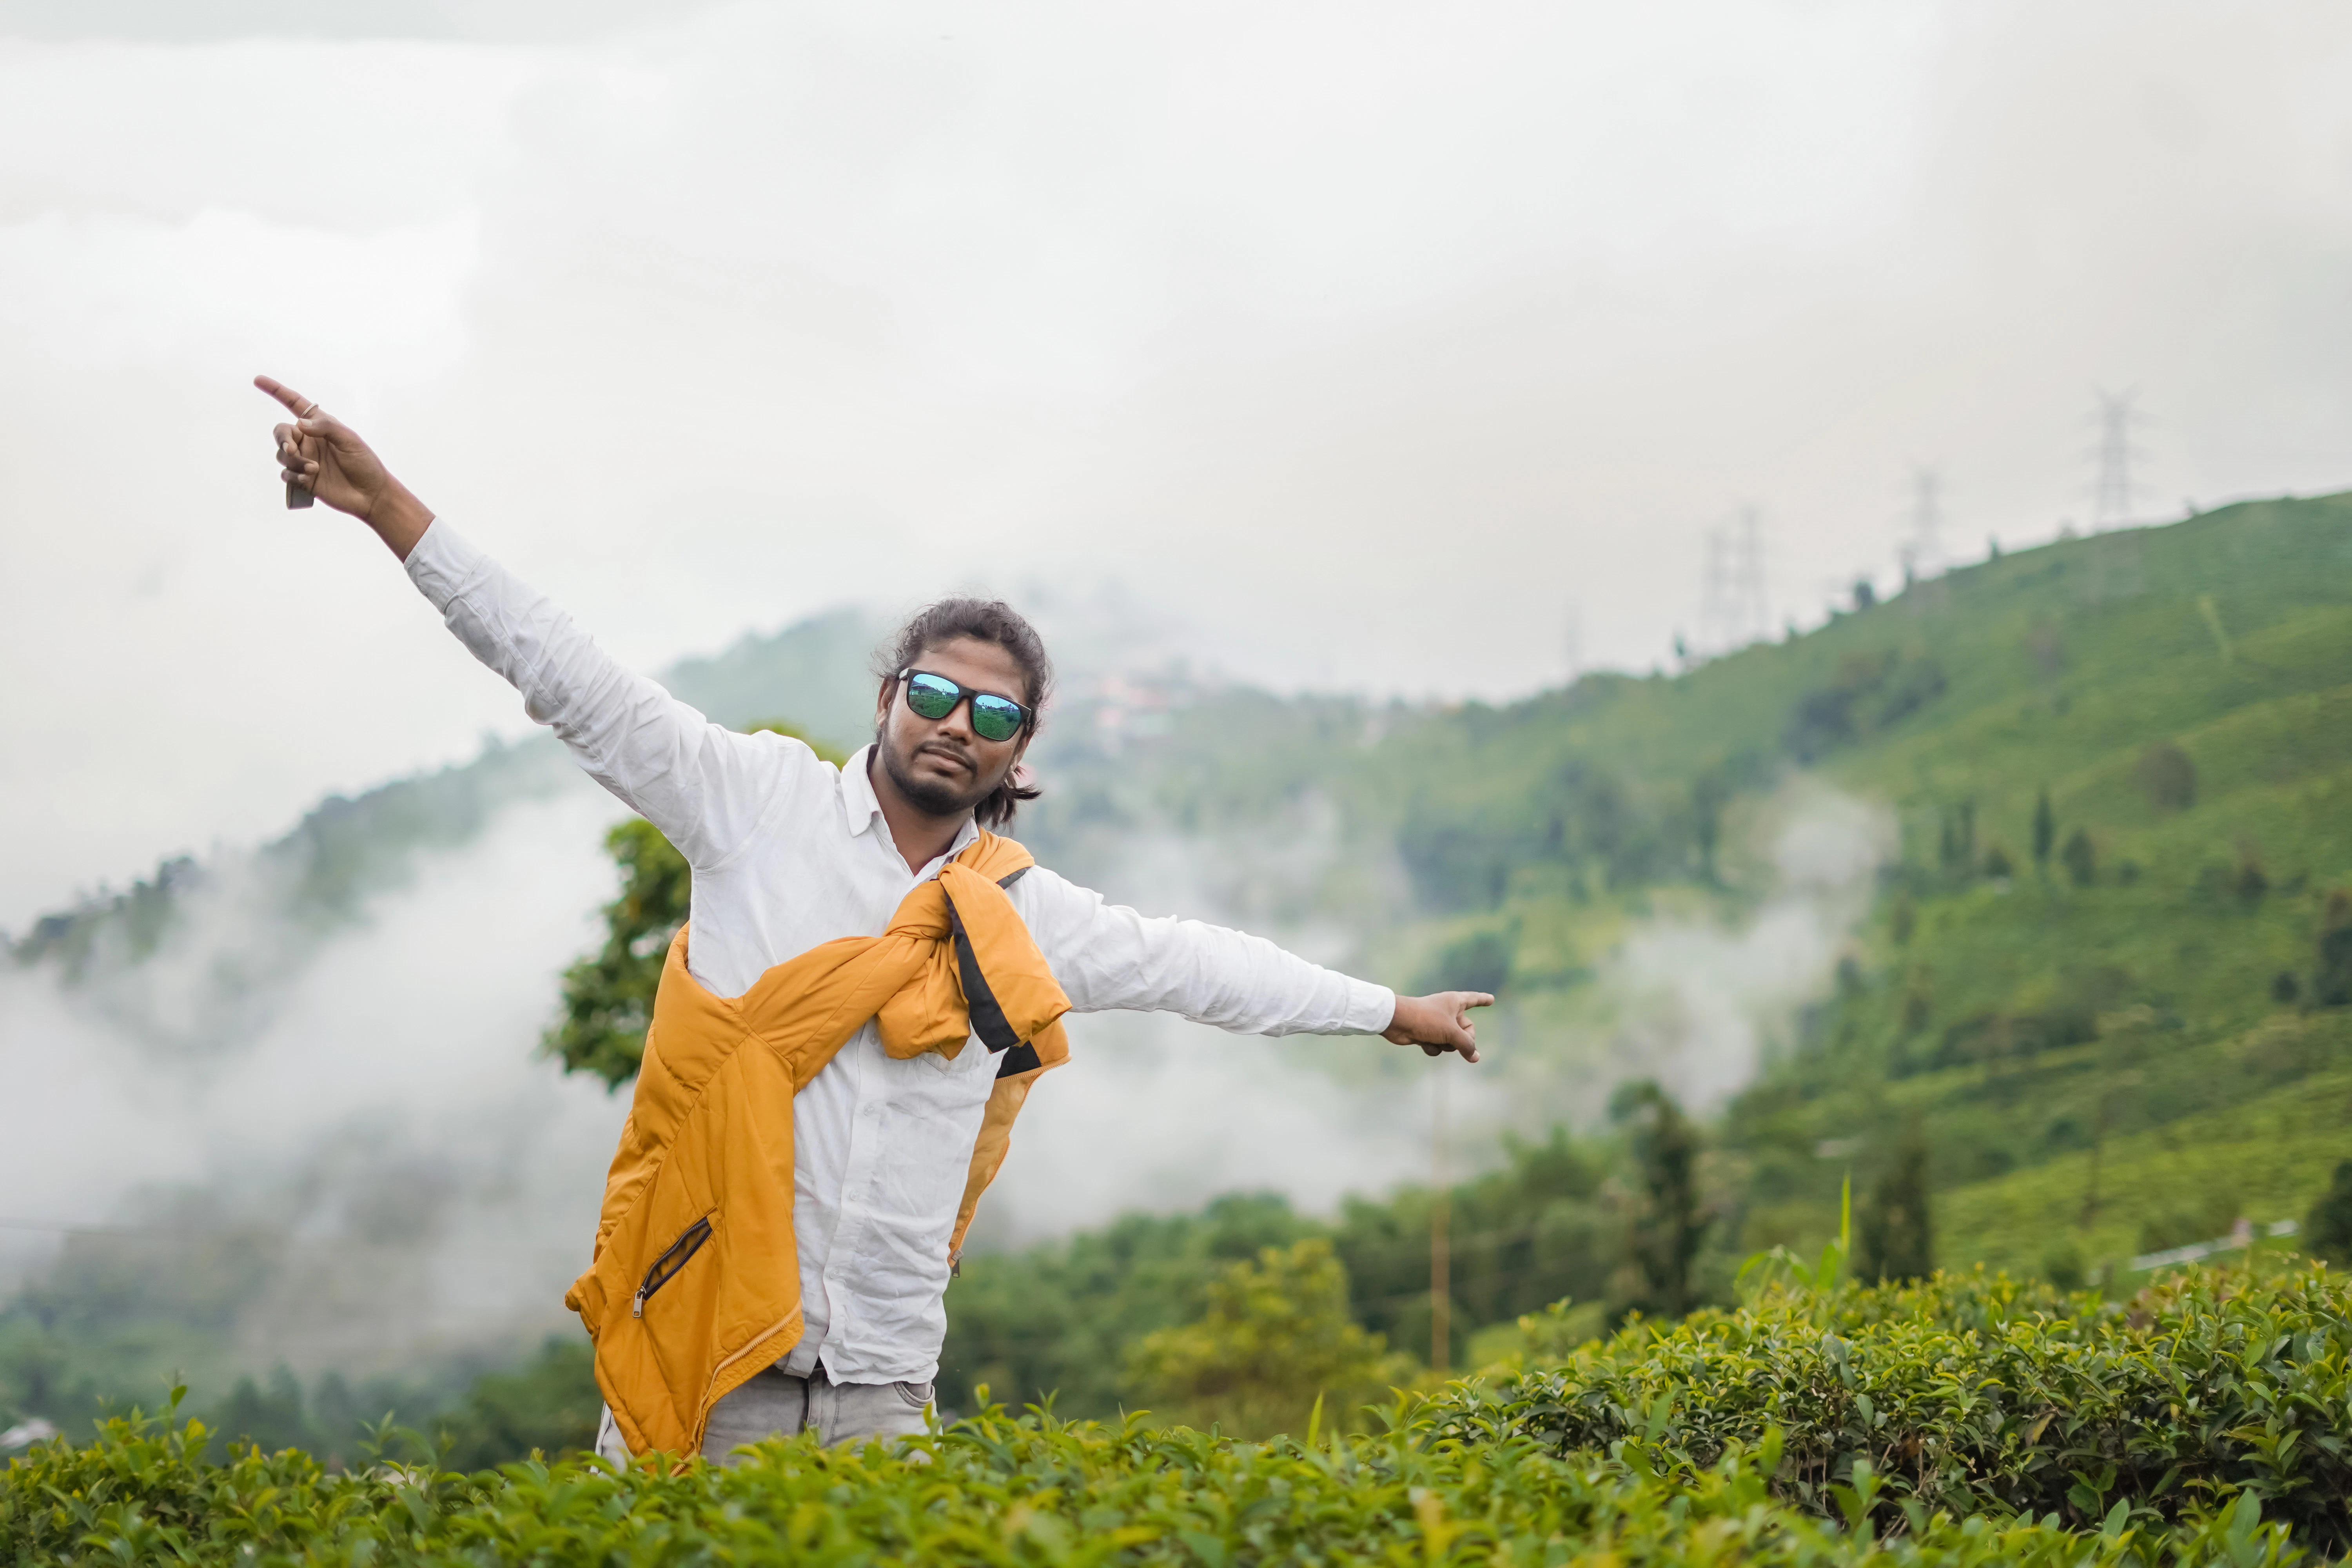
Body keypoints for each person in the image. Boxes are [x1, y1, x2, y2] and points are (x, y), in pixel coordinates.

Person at [256, 375, 1490, 1463]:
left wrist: (1393, 1014)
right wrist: (391, 511)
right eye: (936, 694)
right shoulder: (752, 806)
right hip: (708, 1367)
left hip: (886, 1400)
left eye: (993, 714)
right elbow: (567, 673)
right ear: (890, 697)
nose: (958, 725)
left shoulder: (1017, 916)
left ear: (1019, 748)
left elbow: (1200, 967)